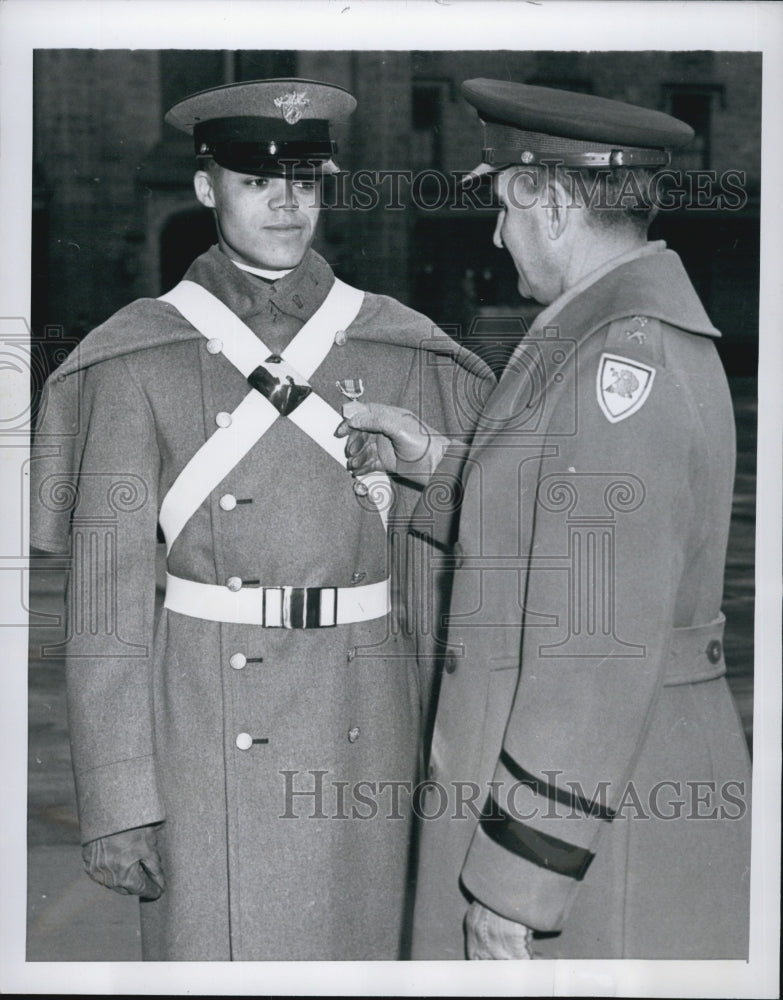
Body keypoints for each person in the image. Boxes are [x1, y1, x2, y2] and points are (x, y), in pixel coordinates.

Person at [29, 77, 491, 961]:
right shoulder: (139, 355)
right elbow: (104, 603)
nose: (286, 202)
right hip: (205, 732)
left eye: (306, 180)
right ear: (206, 190)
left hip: (368, 724)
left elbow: (463, 546)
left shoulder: (400, 344)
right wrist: (123, 800)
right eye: (255, 181)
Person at [337, 79, 752, 960]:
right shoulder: (613, 337)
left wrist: (517, 882)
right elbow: (555, 519)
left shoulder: (618, 369)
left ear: (554, 203)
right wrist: (431, 466)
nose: (495, 232)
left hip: (589, 840)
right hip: (613, 803)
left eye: (502, 204)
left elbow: (591, 651)